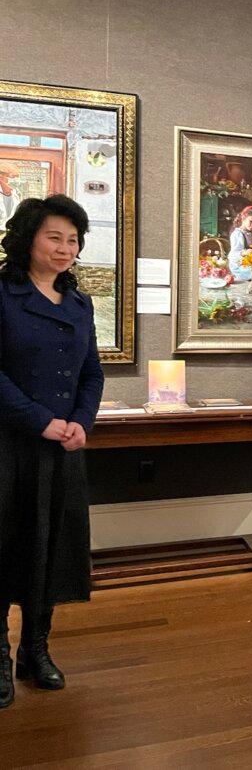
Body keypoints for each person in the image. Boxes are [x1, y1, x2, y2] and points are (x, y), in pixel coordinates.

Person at [0, 195, 104, 709]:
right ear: (29, 239)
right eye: (55, 237)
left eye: (73, 239)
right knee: (3, 547)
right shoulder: (2, 293)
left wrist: (81, 423)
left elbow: (92, 372)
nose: (66, 248)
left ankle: (35, 651)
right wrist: (44, 421)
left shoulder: (80, 303)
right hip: (9, 444)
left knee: (53, 547)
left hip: (64, 449)